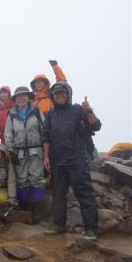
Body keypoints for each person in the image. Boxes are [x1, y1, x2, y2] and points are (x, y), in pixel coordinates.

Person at [43, 82, 100, 241]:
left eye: (62, 93)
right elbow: (46, 136)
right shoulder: (51, 114)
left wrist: (88, 109)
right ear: (52, 97)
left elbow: (96, 126)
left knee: (84, 194)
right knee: (58, 195)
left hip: (77, 161)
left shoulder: (77, 109)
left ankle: (91, 229)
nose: (59, 95)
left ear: (68, 94)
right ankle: (58, 225)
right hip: (57, 161)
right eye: (56, 94)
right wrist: (46, 156)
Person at [4, 86, 45, 224]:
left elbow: (44, 130)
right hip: (19, 152)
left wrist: (46, 149)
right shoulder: (12, 115)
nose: (21, 98)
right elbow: (8, 134)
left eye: (24, 96)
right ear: (15, 100)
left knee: (37, 179)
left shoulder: (36, 111)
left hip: (36, 151)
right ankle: (25, 209)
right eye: (18, 97)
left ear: (28, 97)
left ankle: (37, 210)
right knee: (21, 180)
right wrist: (10, 150)